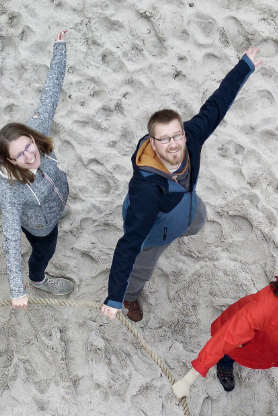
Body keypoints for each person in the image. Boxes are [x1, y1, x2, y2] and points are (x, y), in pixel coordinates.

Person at [101, 47, 259, 324]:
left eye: (176, 136)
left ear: (184, 134)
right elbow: (128, 244)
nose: (173, 144)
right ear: (152, 143)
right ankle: (129, 296)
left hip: (186, 206)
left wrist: (244, 66)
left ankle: (182, 227)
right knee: (141, 269)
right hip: (152, 232)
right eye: (164, 139)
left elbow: (216, 106)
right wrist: (113, 296)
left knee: (198, 219)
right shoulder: (145, 192)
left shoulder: (191, 137)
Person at [171, 256, 278, 395]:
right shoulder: (263, 308)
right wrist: (188, 379)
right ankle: (225, 365)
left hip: (269, 347)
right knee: (230, 352)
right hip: (244, 342)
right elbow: (227, 338)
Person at [0, 30, 74, 307]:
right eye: (19, 155)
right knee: (45, 250)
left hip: (54, 199)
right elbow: (11, 241)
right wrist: (17, 290)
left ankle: (58, 210)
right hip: (39, 224)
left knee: (57, 208)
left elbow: (51, 92)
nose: (30, 156)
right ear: (10, 162)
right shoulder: (11, 192)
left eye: (28, 146)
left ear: (31, 136)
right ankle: (38, 279)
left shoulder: (37, 134)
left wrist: (59, 48)